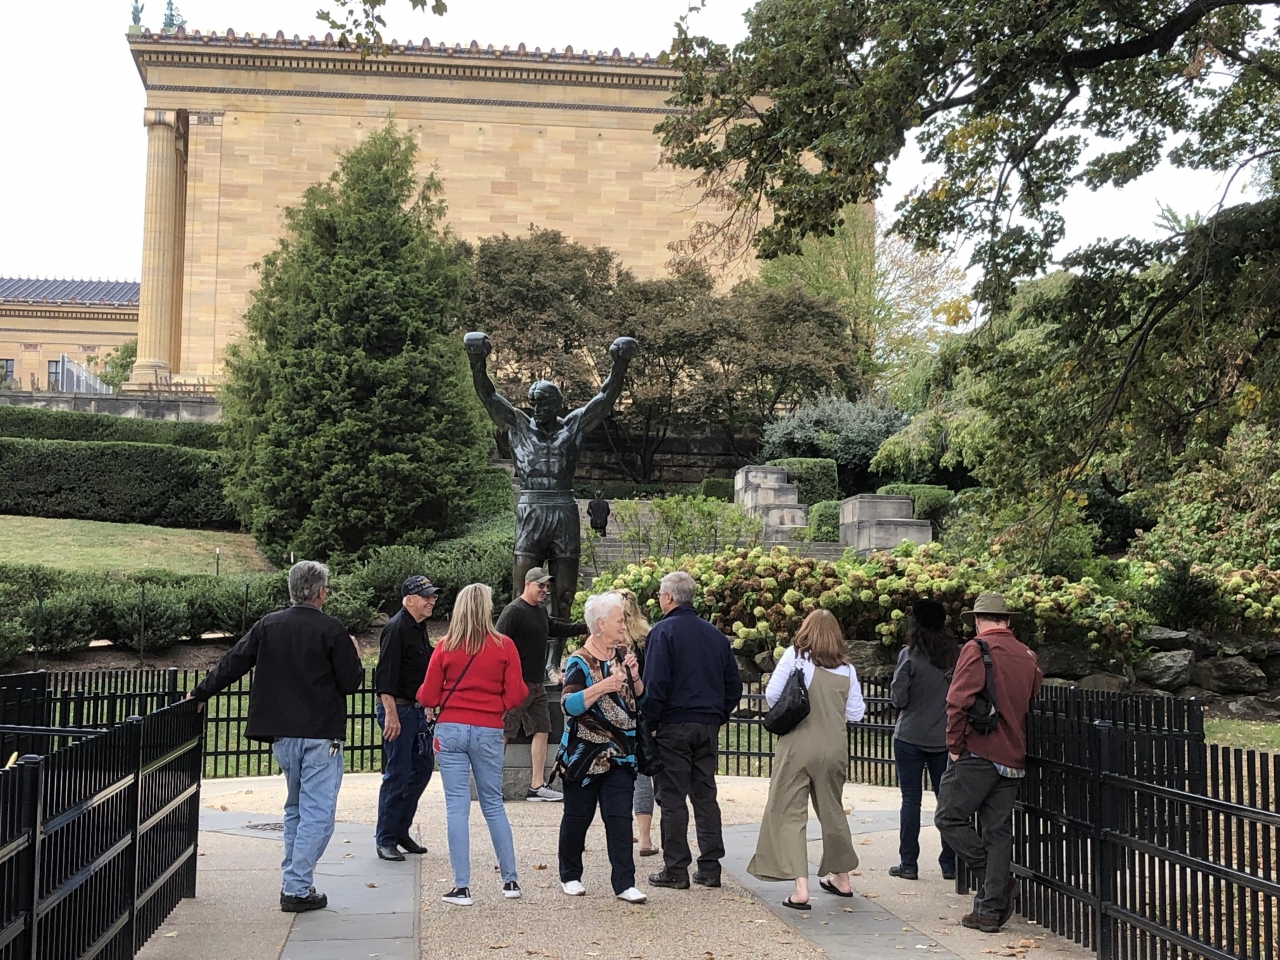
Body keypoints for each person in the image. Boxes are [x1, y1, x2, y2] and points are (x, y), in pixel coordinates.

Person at [188, 561, 363, 913]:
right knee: (319, 814)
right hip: (320, 734)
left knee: (296, 809)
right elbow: (349, 683)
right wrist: (355, 656)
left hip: (282, 734)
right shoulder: (332, 629)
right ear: (320, 592)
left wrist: (201, 693)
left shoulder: (269, 624)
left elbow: (234, 660)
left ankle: (295, 881)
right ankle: (296, 886)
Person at [464, 330, 638, 679]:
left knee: (564, 593)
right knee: (521, 593)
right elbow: (488, 395)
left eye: (542, 402)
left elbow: (605, 398)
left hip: (562, 507)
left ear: (558, 404)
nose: (536, 407)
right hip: (531, 507)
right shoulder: (518, 424)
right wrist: (477, 360)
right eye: (533, 401)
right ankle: (514, 660)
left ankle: (551, 661)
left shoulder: (573, 427)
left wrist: (619, 364)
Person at [934, 592, 1043, 933]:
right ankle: (989, 911)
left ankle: (997, 884)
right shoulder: (1027, 655)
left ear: (978, 620)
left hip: (979, 751)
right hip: (1014, 754)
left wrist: (954, 746)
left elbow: (957, 701)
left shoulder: (977, 649)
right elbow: (1032, 697)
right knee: (998, 832)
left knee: (948, 817)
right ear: (1007, 620)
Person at [417, 583, 527, 907]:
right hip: (488, 729)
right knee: (493, 803)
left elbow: (428, 694)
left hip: (450, 728)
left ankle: (462, 886)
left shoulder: (446, 646)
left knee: (456, 807)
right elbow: (517, 693)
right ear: (488, 609)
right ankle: (510, 880)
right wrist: (494, 706)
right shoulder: (504, 646)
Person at [748, 610, 865, 909]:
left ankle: (801, 888)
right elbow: (856, 713)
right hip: (834, 746)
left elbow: (773, 695)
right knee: (832, 811)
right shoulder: (847, 669)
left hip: (798, 743)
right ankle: (842, 878)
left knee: (789, 811)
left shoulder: (796, 657)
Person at [640, 570, 743, 890]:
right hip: (706, 723)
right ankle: (710, 866)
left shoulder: (662, 632)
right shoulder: (715, 635)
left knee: (672, 797)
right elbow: (734, 685)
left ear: (669, 597)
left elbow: (655, 684)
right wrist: (717, 715)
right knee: (705, 795)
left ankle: (676, 868)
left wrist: (650, 724)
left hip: (673, 724)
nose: (659, 598)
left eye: (661, 594)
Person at [555, 592, 649, 903]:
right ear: (600, 624)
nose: (624, 625)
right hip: (585, 756)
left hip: (621, 754)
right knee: (577, 817)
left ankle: (624, 883)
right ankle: (570, 875)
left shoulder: (624, 654)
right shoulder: (579, 661)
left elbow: (641, 701)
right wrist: (602, 686)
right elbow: (568, 705)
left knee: (620, 819)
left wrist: (635, 678)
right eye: (619, 620)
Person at [496, 566, 588, 801]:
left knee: (542, 729)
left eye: (546, 586)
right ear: (528, 584)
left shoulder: (539, 612)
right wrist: (504, 680)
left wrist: (585, 627)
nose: (544, 590)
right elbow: (497, 644)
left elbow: (556, 628)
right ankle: (492, 784)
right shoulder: (513, 611)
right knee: (504, 732)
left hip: (537, 684)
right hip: (516, 684)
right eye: (540, 585)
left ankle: (537, 785)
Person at [888, 598, 960, 881]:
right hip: (944, 737)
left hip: (910, 736)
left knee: (910, 800)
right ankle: (949, 864)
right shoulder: (955, 657)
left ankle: (909, 864)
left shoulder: (909, 655)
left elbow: (898, 698)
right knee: (946, 801)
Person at [372, 575, 439, 861]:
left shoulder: (418, 627)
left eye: (432, 596)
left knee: (421, 769)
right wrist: (390, 714)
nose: (432, 601)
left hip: (415, 709)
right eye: (426, 596)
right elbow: (384, 677)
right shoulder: (396, 628)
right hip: (397, 710)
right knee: (398, 773)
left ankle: (400, 829)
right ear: (409, 599)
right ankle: (385, 838)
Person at [616, 589, 657, 857]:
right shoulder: (646, 638)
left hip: (613, 709)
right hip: (638, 709)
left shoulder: (608, 640)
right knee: (642, 773)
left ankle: (619, 828)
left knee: (612, 773)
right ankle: (644, 837)